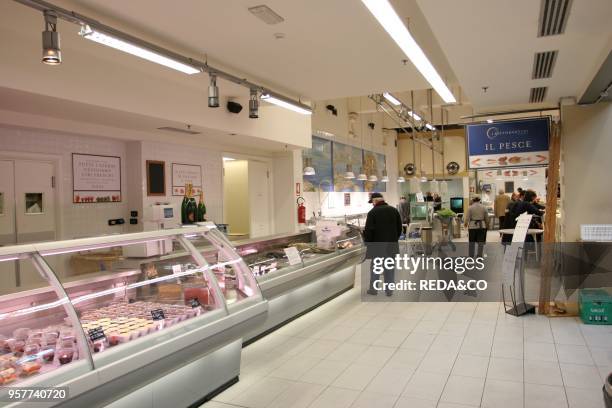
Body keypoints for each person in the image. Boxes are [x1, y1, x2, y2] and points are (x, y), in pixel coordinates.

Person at [364, 192, 402, 296]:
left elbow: (368, 231)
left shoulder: (372, 212)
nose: (372, 204)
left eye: (372, 202)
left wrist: (368, 244)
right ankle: (389, 290)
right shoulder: (394, 210)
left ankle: (373, 289)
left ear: (375, 201)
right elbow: (399, 228)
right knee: (389, 267)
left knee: (376, 267)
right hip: (391, 245)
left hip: (377, 246)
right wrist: (394, 239)